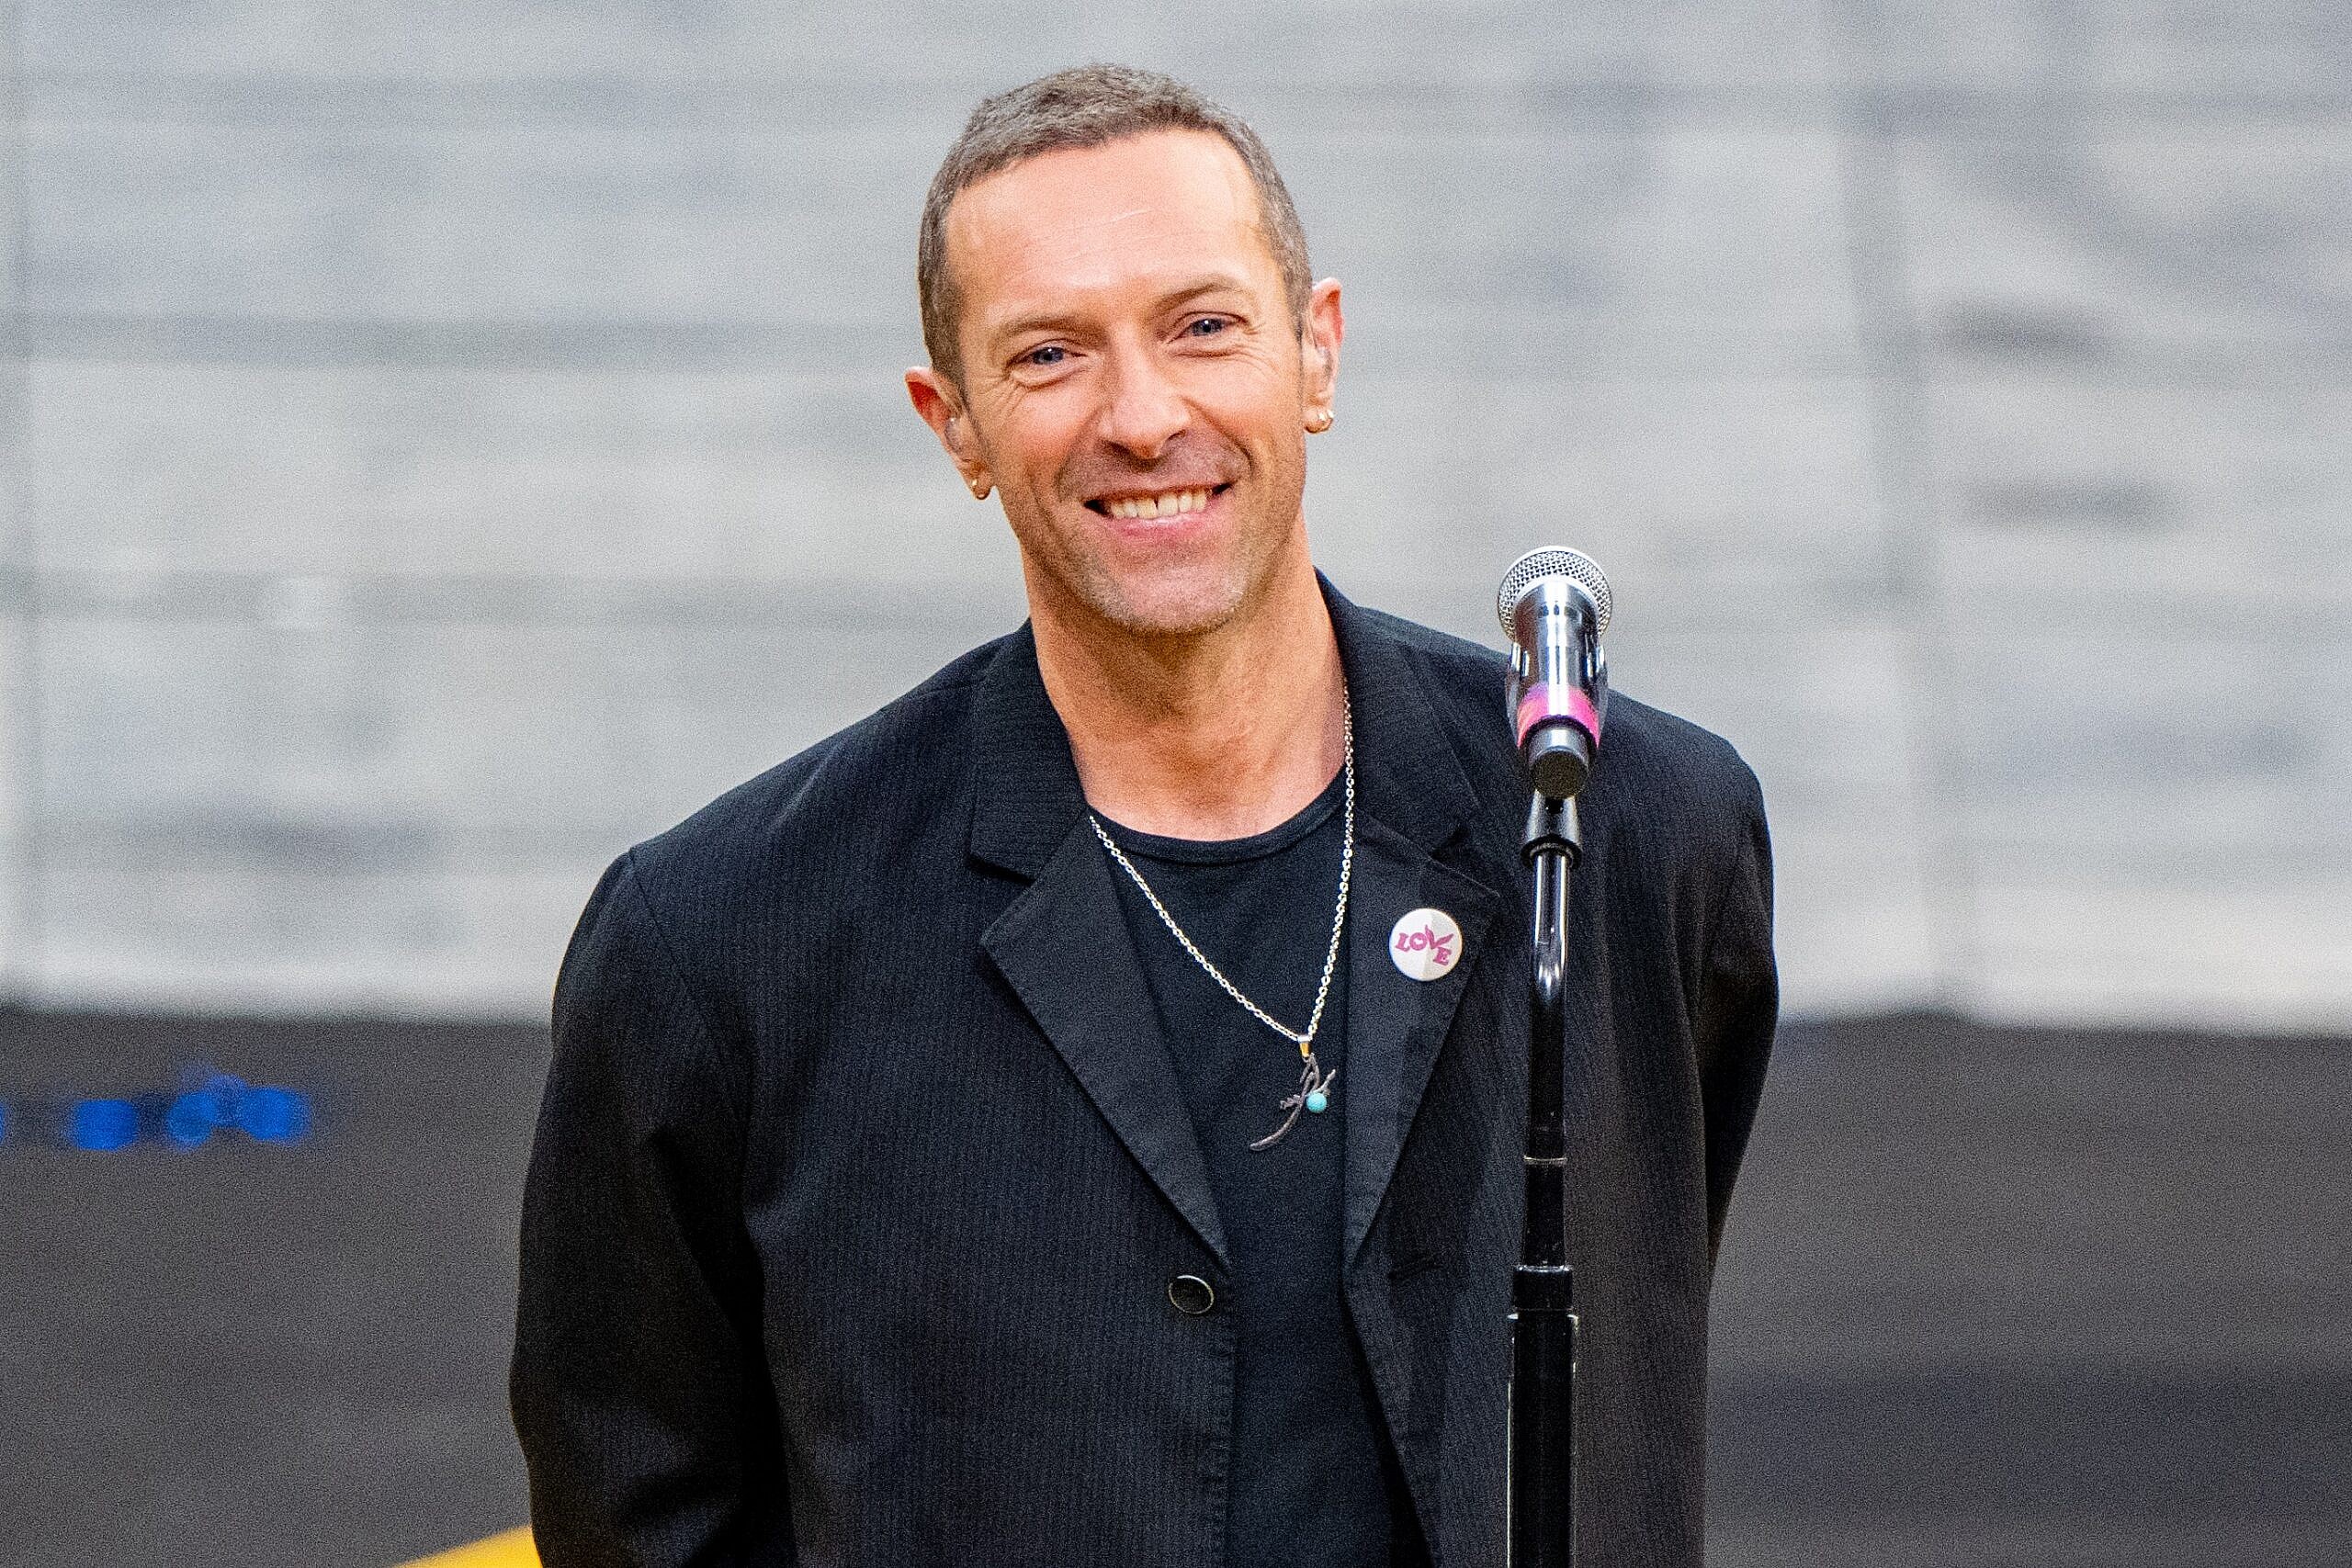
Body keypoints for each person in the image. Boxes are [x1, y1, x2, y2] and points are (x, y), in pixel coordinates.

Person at [511, 63, 1776, 1568]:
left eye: (1204, 326)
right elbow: (636, 1511)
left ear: (1316, 353)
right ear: (956, 425)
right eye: (1048, 355)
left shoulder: (1633, 834)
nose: (1142, 414)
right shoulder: (719, 942)